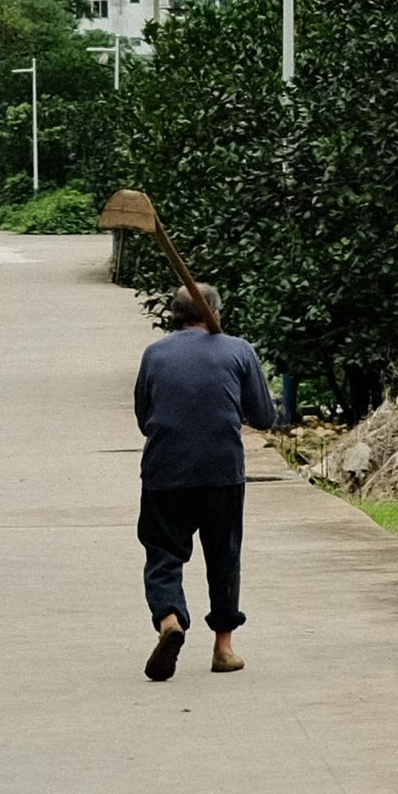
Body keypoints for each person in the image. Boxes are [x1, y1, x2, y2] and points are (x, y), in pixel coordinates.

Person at [133, 283, 275, 681]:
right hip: (221, 472)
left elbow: (144, 419)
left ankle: (169, 621)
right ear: (215, 313)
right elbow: (264, 416)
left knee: (163, 552)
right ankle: (223, 648)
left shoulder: (154, 354)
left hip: (165, 470)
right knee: (223, 555)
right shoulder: (238, 350)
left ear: (174, 316)